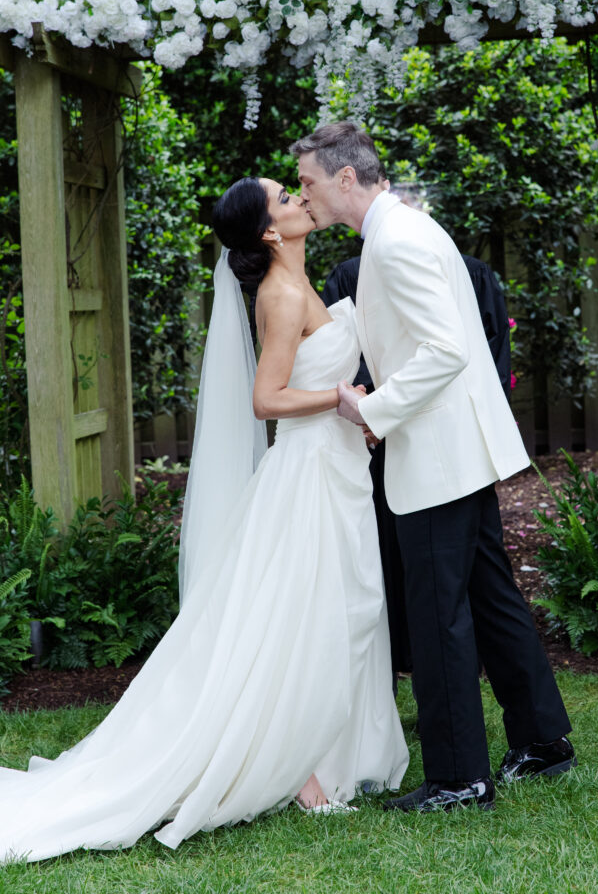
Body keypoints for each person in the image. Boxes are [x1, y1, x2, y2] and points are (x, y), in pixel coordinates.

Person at [0, 176, 408, 863]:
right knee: (303, 616)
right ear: (270, 233)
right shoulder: (279, 295)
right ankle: (299, 769)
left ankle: (320, 747)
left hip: (336, 470)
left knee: (343, 609)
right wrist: (343, 397)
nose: (298, 200)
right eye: (284, 199)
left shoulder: (303, 281)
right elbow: (266, 399)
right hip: (306, 477)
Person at [291, 121, 576, 814]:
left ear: (345, 178)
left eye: (307, 182)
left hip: (435, 453)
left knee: (437, 612)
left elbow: (446, 350)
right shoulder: (402, 229)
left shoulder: (396, 240)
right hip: (455, 447)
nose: (304, 196)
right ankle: (541, 740)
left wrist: (373, 410)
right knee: (489, 596)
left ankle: (458, 778)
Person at [322, 240, 512, 681]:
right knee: (384, 563)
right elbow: (339, 358)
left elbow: (487, 360)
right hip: (375, 443)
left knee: (462, 574)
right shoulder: (352, 277)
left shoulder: (471, 273)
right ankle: (389, 672)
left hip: (436, 444)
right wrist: (371, 417)